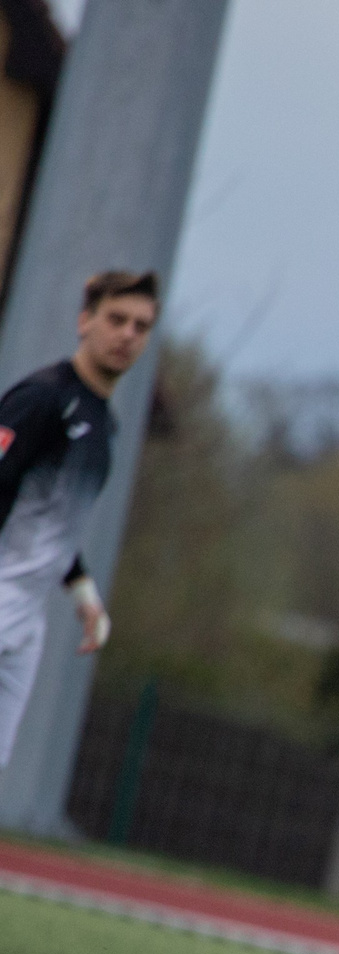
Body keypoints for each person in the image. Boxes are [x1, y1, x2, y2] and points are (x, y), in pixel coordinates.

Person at [0, 269, 156, 771]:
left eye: (140, 325)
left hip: (27, 617)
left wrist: (83, 592)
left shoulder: (104, 424)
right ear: (84, 321)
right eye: (116, 319)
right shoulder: (41, 399)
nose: (127, 334)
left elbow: (57, 521)